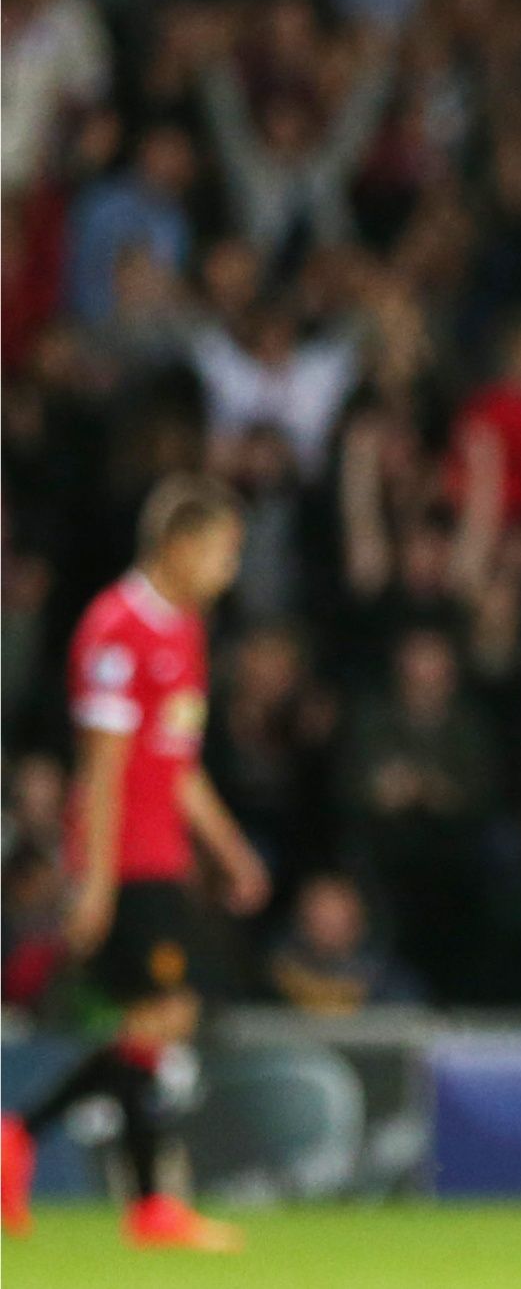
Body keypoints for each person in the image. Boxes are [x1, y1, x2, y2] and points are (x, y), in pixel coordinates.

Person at [3, 478, 269, 1250]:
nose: (230, 569)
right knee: (163, 1014)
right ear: (180, 546)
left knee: (154, 1022)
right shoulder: (117, 628)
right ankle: (106, 1178)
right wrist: (90, 880)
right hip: (125, 857)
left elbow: (176, 762)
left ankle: (125, 1190)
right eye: (224, 551)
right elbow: (104, 766)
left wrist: (229, 848)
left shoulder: (183, 629)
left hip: (162, 852)